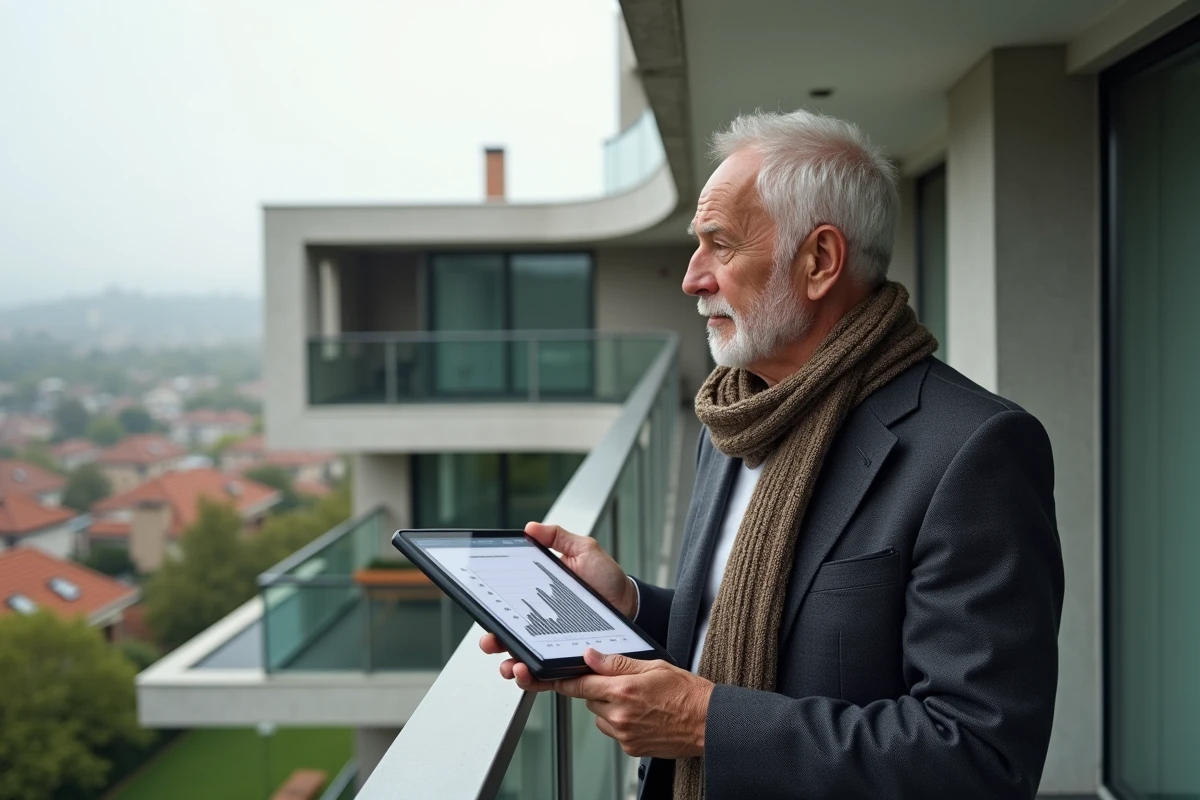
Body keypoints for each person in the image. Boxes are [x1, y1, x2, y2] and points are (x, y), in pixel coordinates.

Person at [480, 109, 1064, 800]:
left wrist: (704, 723)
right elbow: (755, 627)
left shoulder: (974, 451)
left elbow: (980, 759)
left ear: (819, 261)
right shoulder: (736, 416)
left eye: (719, 245)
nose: (692, 278)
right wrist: (628, 606)